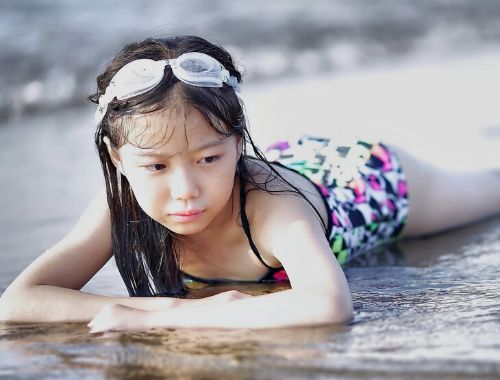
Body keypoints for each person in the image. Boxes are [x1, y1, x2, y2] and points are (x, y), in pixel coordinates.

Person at [1, 35, 500, 332]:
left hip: (360, 180)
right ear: (118, 158)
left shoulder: (273, 208)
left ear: (237, 143)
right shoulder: (123, 202)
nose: (185, 190)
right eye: (156, 167)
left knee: (490, 192)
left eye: (208, 158)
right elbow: (18, 302)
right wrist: (149, 306)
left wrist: (162, 319)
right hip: (274, 166)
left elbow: (328, 305)